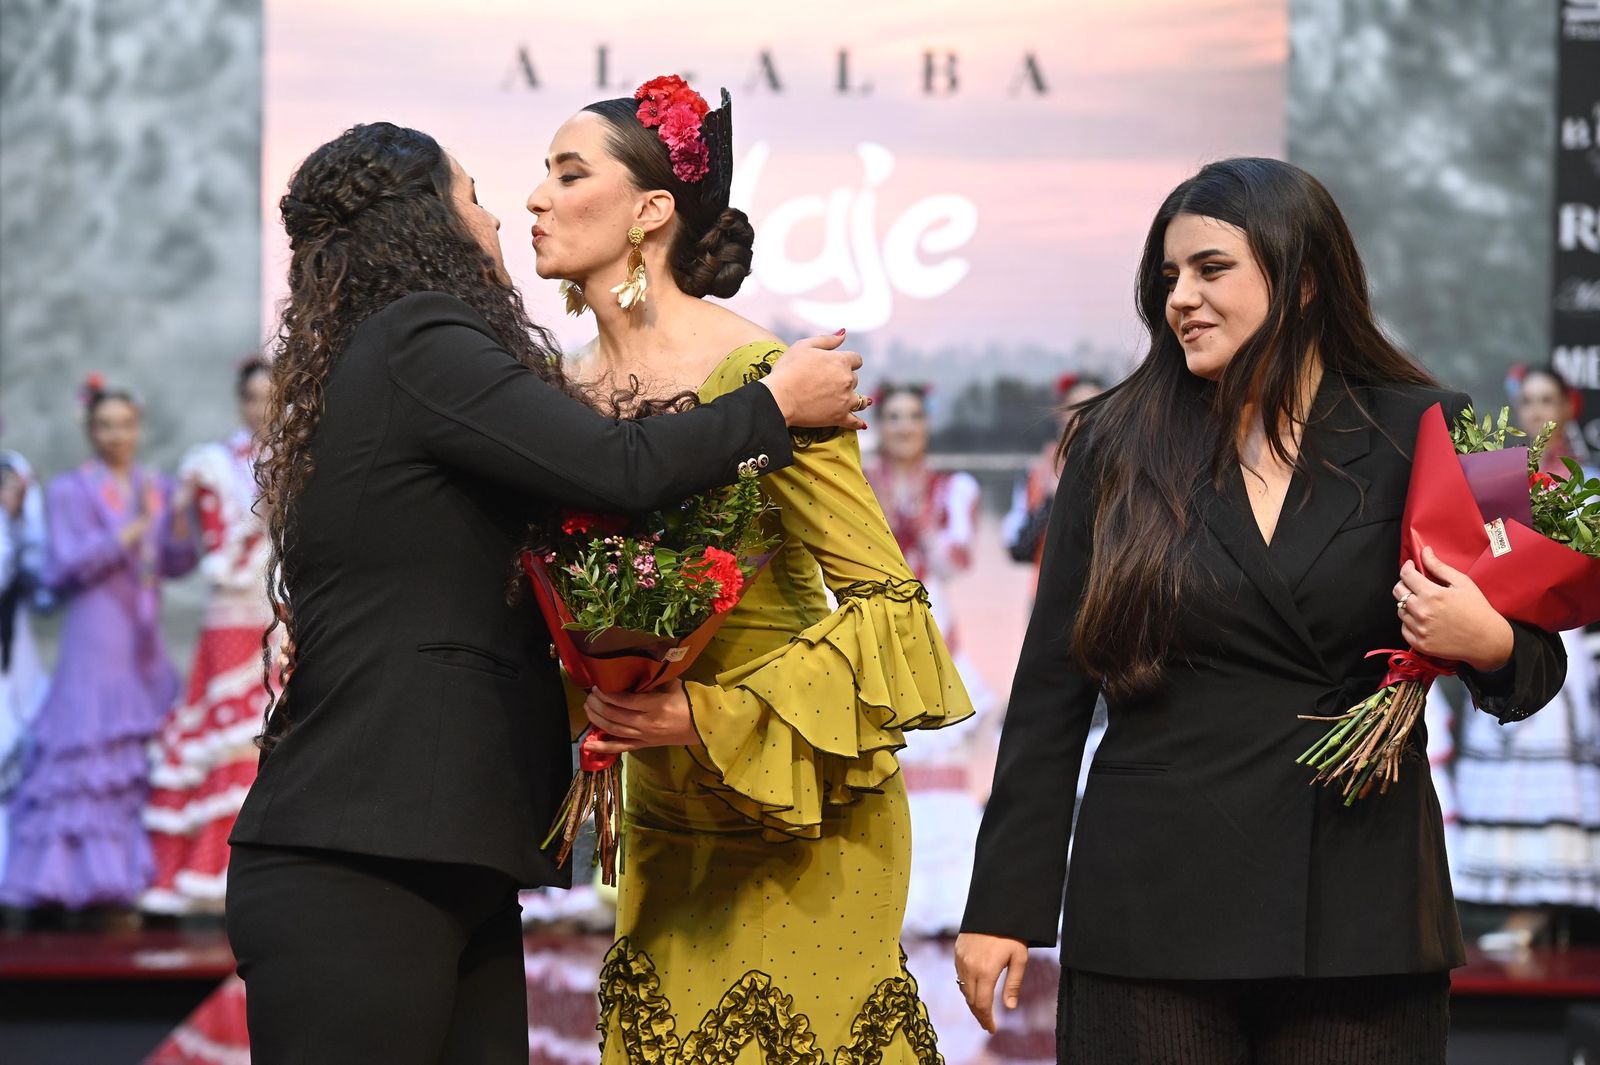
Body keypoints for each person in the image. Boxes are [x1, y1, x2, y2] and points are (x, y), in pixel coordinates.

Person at [223, 121, 866, 1065]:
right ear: (424, 224)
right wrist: (774, 404)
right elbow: (614, 467)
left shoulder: (378, 358)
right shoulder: (417, 340)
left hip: (439, 849)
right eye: (474, 194)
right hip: (361, 853)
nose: (502, 212)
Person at [955, 158, 1568, 1063]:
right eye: (1168, 278)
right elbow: (1050, 691)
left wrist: (1487, 642)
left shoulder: (1446, 425)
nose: (1180, 299)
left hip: (1361, 908)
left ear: (1305, 279)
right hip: (1151, 906)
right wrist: (1004, 904)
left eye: (1211, 269)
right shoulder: (1112, 444)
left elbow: (1540, 656)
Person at [529, 78, 970, 1059]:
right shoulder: (554, 395)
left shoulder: (762, 377)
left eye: (567, 174)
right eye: (539, 177)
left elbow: (886, 605)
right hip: (663, 812)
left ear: (650, 212)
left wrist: (708, 713)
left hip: (800, 801)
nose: (537, 199)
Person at [0, 379, 198, 913]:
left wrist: (178, 518)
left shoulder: (154, 485)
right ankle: (67, 885)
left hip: (144, 641)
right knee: (86, 758)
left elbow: (179, 562)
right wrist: (127, 533)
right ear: (90, 430)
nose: (117, 436)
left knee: (138, 761)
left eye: (126, 425)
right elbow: (60, 567)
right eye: (106, 426)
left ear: (139, 428)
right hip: (94, 634)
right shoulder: (71, 490)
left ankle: (132, 886)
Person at [1454, 365, 1600, 945]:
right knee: (1510, 759)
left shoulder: (1587, 478)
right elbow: (1489, 548)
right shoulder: (1504, 479)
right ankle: (1522, 906)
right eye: (1528, 401)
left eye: (1547, 400)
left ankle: (1551, 907)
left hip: (1573, 643)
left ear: (1569, 406)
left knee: (1561, 767)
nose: (1538, 411)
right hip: (1509, 635)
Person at [143, 358, 276, 916]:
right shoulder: (212, 466)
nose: (262, 407)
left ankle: (272, 873)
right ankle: (213, 877)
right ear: (239, 401)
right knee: (229, 737)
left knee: (272, 737)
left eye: (273, 396)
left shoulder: (307, 456)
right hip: (231, 616)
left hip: (283, 612)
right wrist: (261, 513)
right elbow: (216, 559)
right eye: (253, 397)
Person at [865, 381, 996, 936]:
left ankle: (946, 899)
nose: (902, 426)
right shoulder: (861, 481)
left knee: (936, 757)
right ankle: (877, 900)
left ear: (926, 424)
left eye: (912, 416)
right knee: (883, 755)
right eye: (892, 416)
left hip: (929, 622)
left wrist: (918, 526)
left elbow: (957, 559)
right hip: (870, 627)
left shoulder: (951, 487)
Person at [0, 447, 50, 881]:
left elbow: (36, 571)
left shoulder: (13, 469)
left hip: (11, 641)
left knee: (16, 750)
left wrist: (14, 518)